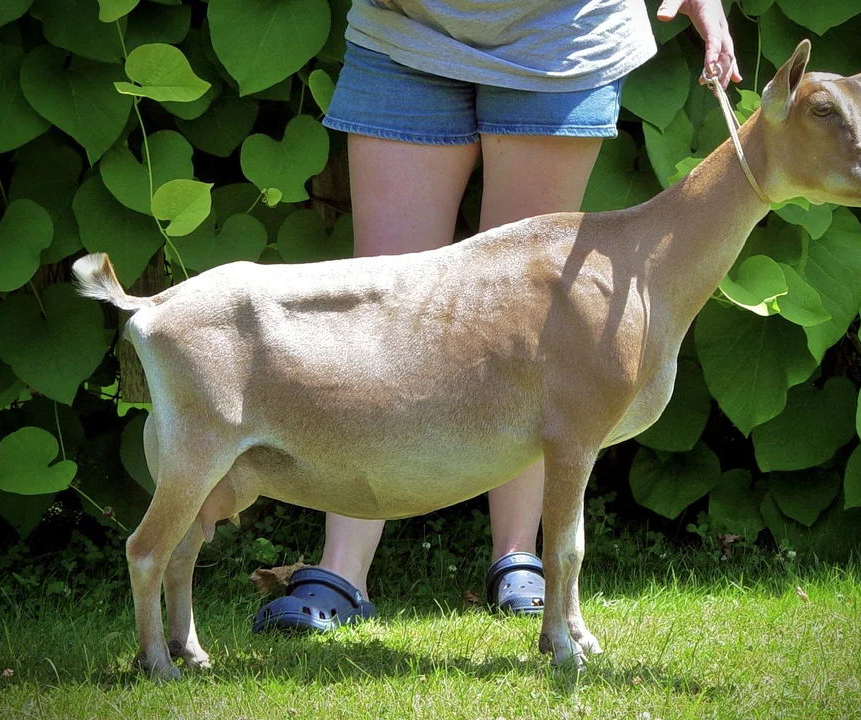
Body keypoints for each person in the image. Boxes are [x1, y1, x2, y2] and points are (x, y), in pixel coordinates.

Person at [253, 0, 740, 632]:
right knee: (380, 310)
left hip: (558, 37)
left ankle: (518, 557)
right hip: (407, 25)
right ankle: (343, 567)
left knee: (533, 324)